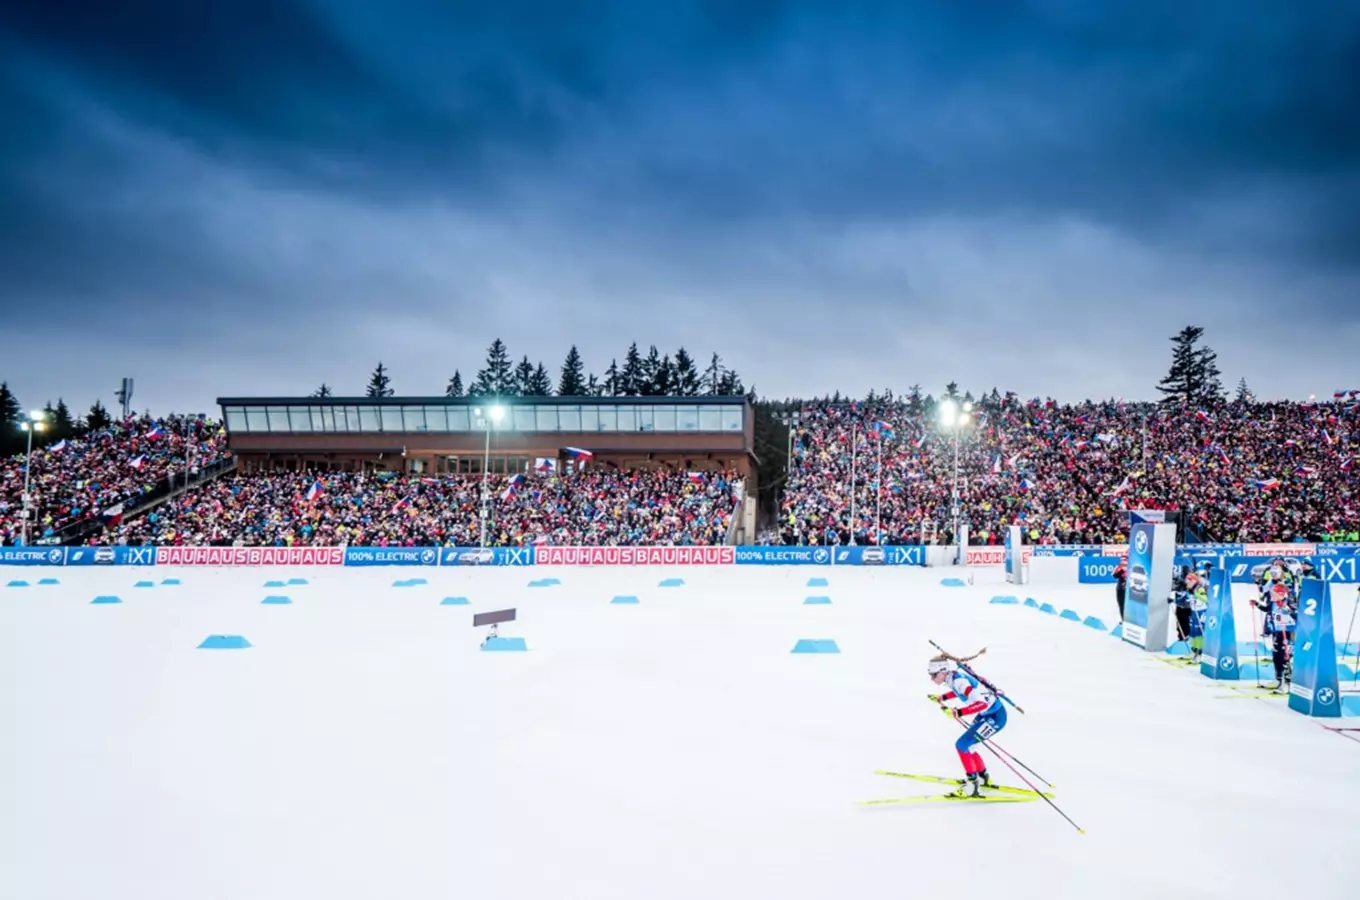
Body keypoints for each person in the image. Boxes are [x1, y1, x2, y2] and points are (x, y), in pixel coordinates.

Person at [927, 649, 1006, 797]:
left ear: (943, 671)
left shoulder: (959, 681)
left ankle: (972, 786)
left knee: (962, 745)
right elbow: (960, 693)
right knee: (969, 746)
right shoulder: (952, 679)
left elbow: (981, 703)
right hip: (987, 714)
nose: (932, 679)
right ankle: (982, 778)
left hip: (995, 717)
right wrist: (941, 698)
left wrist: (957, 712)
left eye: (933, 675)